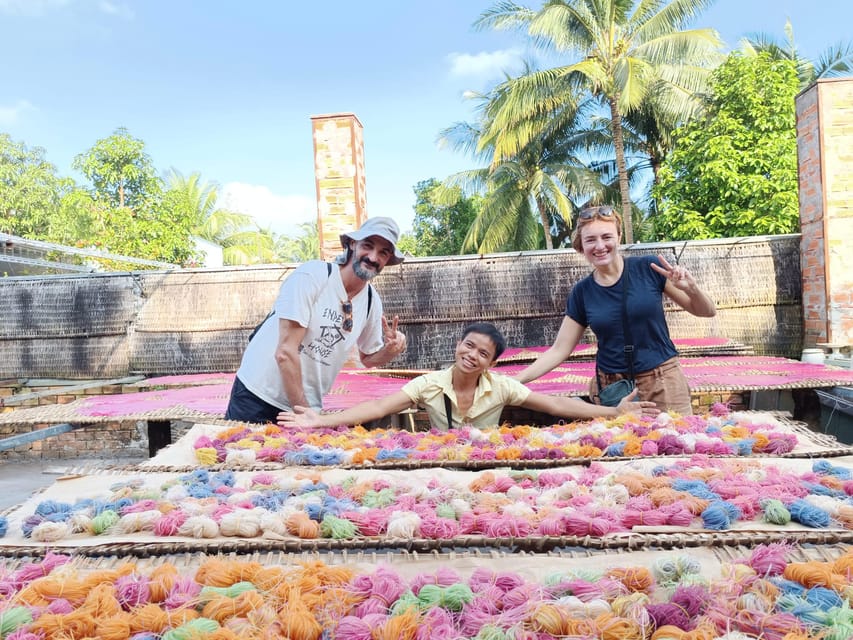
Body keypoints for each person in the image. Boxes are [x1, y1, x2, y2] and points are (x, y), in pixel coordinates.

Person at [514, 205, 716, 414]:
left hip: (663, 381)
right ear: (581, 246)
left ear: (619, 237)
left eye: (606, 237)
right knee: (619, 446)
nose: (600, 246)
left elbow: (707, 311)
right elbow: (559, 349)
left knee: (677, 442)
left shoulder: (650, 268)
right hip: (613, 388)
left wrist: (693, 290)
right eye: (590, 240)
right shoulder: (582, 292)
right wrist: (515, 380)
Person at [277, 322, 658, 430]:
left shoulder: (502, 387)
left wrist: (615, 414)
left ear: (491, 363)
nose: (472, 355)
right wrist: (320, 421)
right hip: (444, 464)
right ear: (458, 345)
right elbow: (378, 404)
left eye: (483, 353)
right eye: (469, 346)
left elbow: (557, 403)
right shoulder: (429, 384)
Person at [225, 216, 408, 424]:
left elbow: (368, 359)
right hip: (257, 395)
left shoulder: (370, 301)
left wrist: (390, 351)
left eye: (383, 253)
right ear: (352, 244)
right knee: (241, 455)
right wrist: (306, 414)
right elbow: (285, 352)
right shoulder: (312, 277)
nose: (373, 257)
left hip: (306, 407)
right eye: (368, 246)